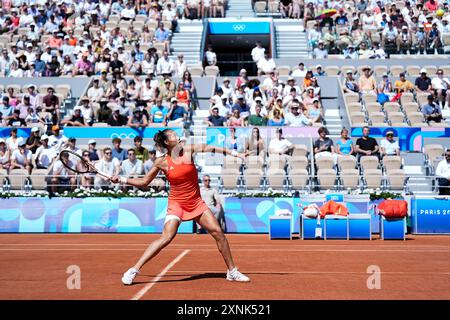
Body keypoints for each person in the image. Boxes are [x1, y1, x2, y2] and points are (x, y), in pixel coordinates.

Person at [110, 129, 250, 284]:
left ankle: (232, 271)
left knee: (218, 232)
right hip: (177, 203)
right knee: (166, 237)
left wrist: (236, 154)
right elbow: (144, 182)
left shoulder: (188, 150)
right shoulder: (161, 161)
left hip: (196, 202)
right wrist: (122, 180)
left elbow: (212, 148)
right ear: (166, 142)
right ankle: (133, 270)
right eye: (173, 135)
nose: (177, 136)